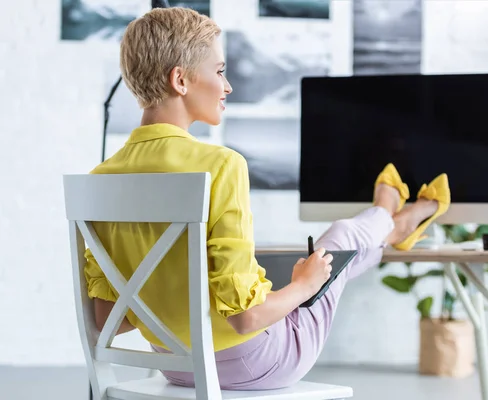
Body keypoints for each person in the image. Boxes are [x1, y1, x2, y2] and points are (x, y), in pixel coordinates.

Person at [85, 7, 451, 391]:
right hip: (257, 363)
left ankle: (391, 226)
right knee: (338, 242)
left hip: (175, 366)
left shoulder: (102, 179)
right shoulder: (221, 164)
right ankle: (388, 217)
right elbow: (245, 319)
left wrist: (164, 289)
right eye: (220, 71)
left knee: (336, 257)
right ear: (180, 79)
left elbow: (109, 316)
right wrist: (304, 286)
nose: (226, 87)